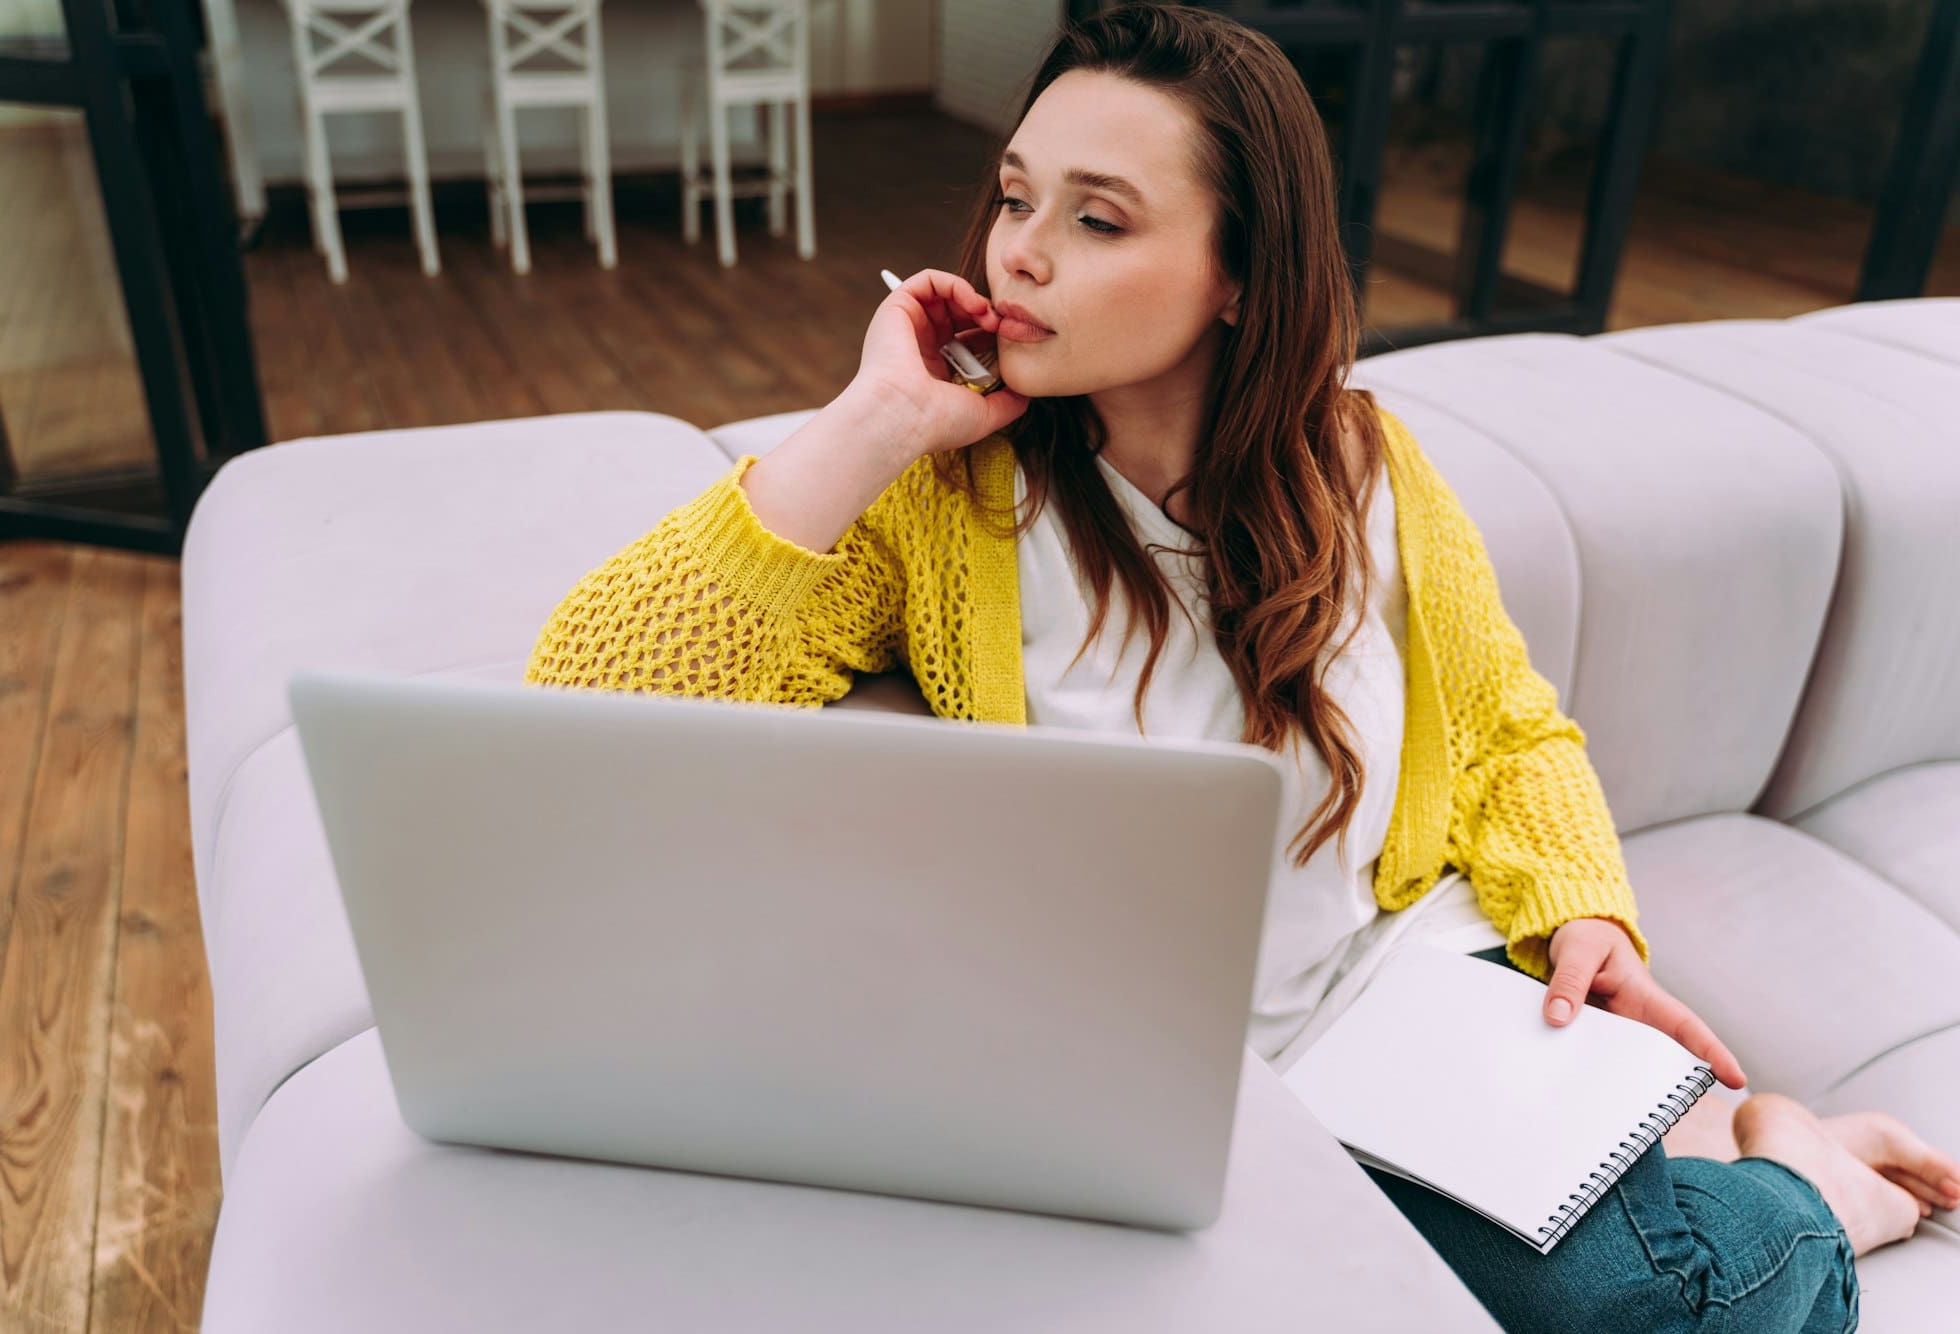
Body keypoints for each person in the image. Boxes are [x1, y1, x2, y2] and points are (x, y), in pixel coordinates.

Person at [524, 5, 1958, 1328]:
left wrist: (1586, 911)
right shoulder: (941, 503)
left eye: (1098, 219)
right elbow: (585, 710)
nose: (1019, 249)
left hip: (1401, 1014)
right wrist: (867, 420)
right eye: (1016, 195)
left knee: (1651, 1308)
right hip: (1144, 1077)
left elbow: (1515, 728)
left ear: (1237, 275)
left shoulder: (1370, 467)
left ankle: (1800, 1168)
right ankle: (1806, 1178)